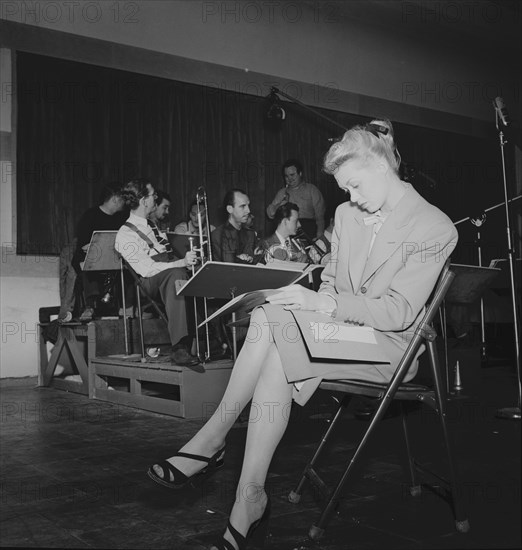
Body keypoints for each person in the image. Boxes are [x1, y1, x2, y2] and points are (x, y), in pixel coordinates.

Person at [147, 121, 458, 550]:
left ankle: (213, 443)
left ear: (382, 165)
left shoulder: (434, 226)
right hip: (344, 330)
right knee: (270, 318)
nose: (350, 198)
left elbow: (400, 312)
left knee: (275, 332)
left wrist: (326, 307)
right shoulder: (349, 215)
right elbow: (331, 280)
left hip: (390, 346)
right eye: (345, 189)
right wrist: (320, 301)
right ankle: (248, 496)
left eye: (354, 185)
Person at [115, 179, 199, 366]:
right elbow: (147, 269)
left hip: (167, 271)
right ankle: (180, 347)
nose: (155, 198)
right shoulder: (125, 234)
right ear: (144, 200)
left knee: (198, 275)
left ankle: (213, 341)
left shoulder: (152, 226)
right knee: (176, 275)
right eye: (153, 196)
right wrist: (179, 263)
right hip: (148, 282)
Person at [71, 182, 127, 320]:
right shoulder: (90, 216)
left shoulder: (121, 219)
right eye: (123, 199)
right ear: (115, 199)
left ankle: (126, 307)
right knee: (90, 265)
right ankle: (89, 306)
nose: (125, 203)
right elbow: (84, 246)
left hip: (112, 259)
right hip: (90, 258)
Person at [266, 159, 326, 239]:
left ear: (300, 173)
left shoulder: (312, 190)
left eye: (292, 175)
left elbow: (320, 217)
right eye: (286, 176)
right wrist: (281, 204)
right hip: (288, 233)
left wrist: (319, 236)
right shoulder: (282, 192)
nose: (289, 179)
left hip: (309, 232)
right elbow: (270, 214)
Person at [211, 189, 256, 264]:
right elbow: (229, 265)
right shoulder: (218, 235)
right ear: (230, 209)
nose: (248, 210)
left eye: (248, 206)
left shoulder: (250, 234)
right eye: (242, 206)